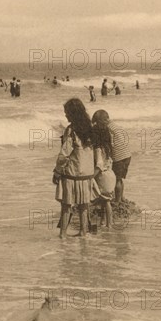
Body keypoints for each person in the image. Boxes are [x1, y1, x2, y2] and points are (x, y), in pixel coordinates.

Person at [52, 98, 94, 238]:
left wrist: (57, 171)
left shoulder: (71, 130)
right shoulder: (90, 128)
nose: (65, 115)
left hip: (72, 173)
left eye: (67, 112)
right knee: (83, 205)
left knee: (66, 205)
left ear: (73, 113)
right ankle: (83, 232)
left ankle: (63, 233)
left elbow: (64, 154)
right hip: (87, 173)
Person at [91, 110, 131, 203]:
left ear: (102, 121)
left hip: (119, 156)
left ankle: (117, 201)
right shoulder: (115, 125)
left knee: (117, 179)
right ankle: (121, 197)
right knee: (119, 178)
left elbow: (109, 143)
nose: (96, 125)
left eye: (97, 123)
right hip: (127, 155)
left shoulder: (107, 129)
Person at [91, 119, 116, 229]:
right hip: (111, 175)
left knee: (102, 201)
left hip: (103, 177)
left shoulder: (97, 149)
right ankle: (106, 222)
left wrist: (91, 177)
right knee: (106, 201)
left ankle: (105, 223)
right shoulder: (108, 148)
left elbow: (99, 165)